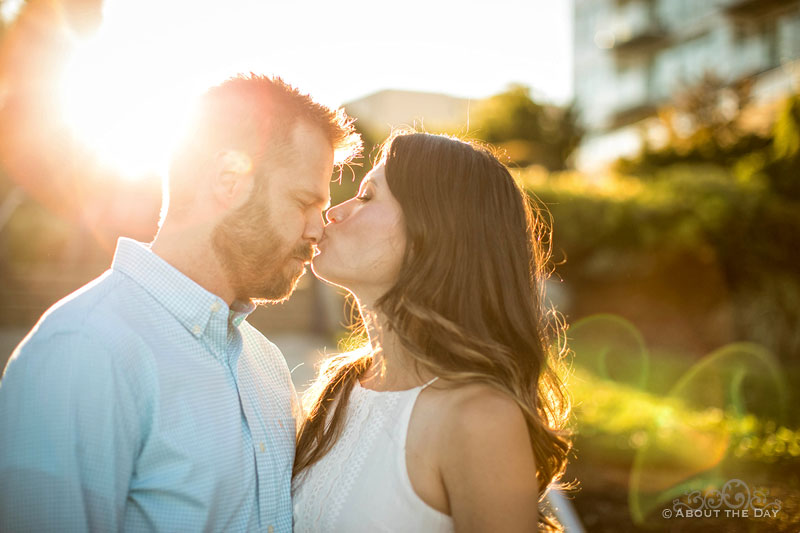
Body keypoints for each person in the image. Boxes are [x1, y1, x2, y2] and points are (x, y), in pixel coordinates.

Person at [0, 74, 361, 532]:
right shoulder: (81, 352)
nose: (317, 231)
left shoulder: (266, 364)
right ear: (230, 181)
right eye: (304, 201)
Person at [292, 131, 573, 532]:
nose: (333, 213)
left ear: (434, 232)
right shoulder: (340, 386)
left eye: (367, 196)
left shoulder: (479, 419)